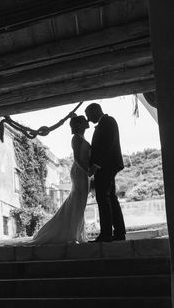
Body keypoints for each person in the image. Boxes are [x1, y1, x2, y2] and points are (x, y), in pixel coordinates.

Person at [32, 115, 91, 245]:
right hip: (80, 172)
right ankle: (72, 234)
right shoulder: (76, 138)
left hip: (84, 172)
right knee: (78, 201)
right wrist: (87, 170)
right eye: (84, 120)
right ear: (79, 124)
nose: (87, 121)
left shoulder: (80, 137)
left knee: (79, 202)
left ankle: (75, 232)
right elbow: (77, 158)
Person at [85, 103, 126, 242]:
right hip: (107, 165)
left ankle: (106, 234)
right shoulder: (105, 122)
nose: (88, 120)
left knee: (103, 197)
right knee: (111, 198)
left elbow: (108, 144)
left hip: (106, 166)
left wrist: (96, 164)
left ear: (95, 111)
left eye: (89, 116)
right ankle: (119, 232)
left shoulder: (108, 121)